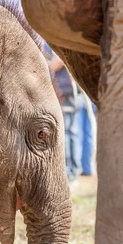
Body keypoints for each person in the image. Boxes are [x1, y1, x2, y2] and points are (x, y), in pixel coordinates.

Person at [47, 50, 82, 185]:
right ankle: (71, 171)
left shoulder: (59, 43)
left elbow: (57, 62)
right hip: (69, 91)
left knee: (66, 133)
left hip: (66, 92)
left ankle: (70, 173)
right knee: (69, 132)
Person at [78, 96, 97, 176]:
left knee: (78, 134)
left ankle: (85, 167)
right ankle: (88, 167)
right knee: (89, 135)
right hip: (89, 98)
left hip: (80, 97)